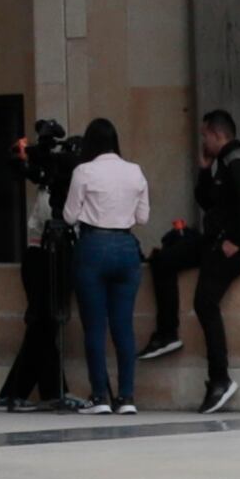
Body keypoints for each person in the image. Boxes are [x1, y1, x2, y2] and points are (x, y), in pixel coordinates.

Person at [142, 108, 240, 415]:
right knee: (164, 261)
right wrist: (204, 170)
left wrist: (235, 241)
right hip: (216, 240)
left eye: (204, 136)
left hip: (233, 247)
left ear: (216, 134)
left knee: (205, 302)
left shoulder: (238, 163)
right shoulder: (223, 163)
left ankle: (220, 379)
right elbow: (208, 200)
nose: (203, 141)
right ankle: (167, 332)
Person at [60, 116, 149, 414]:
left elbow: (70, 216)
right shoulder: (135, 171)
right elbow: (143, 217)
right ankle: (127, 397)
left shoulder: (84, 171)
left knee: (94, 327)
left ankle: (100, 396)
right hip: (126, 247)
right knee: (123, 326)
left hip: (93, 247)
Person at [0, 119, 73, 410]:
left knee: (45, 328)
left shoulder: (54, 185)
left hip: (49, 257)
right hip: (42, 258)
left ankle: (48, 391)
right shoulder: (51, 190)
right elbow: (54, 221)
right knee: (42, 326)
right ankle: (16, 394)